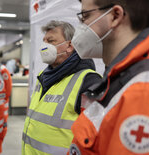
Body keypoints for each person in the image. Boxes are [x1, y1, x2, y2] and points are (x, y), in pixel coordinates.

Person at [69, 0, 149, 154]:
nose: (81, 25)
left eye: (85, 16)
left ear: (115, 16)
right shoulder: (119, 77)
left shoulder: (140, 90)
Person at [22, 20, 101, 154]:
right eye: (44, 41)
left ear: (70, 45)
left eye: (51, 41)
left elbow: (96, 136)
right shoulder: (43, 77)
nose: (44, 46)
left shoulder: (88, 81)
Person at [0, 61, 12, 153]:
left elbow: (8, 88)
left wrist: (2, 99)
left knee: (1, 129)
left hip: (2, 106)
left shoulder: (2, 70)